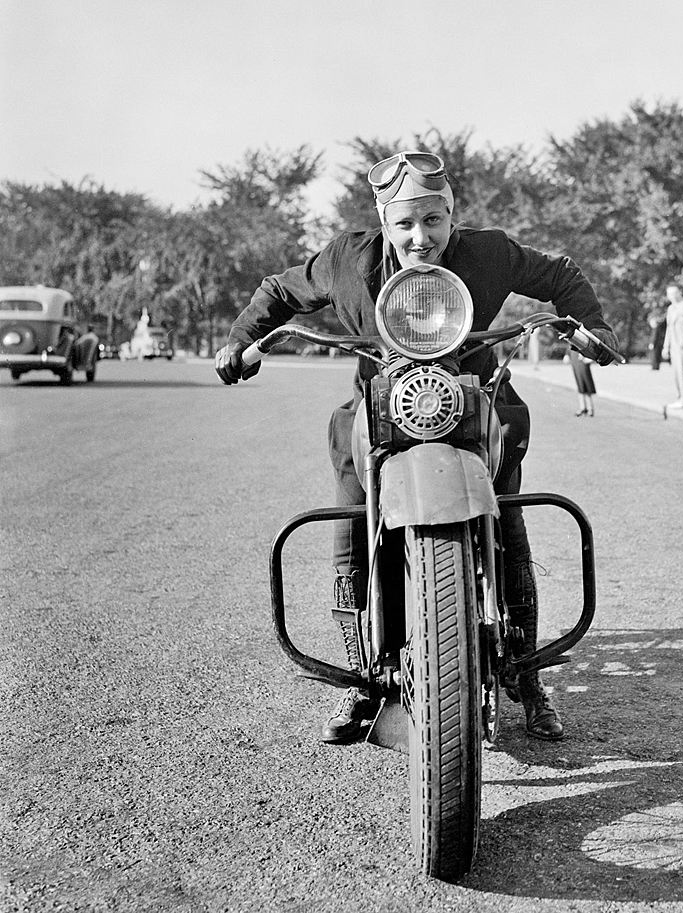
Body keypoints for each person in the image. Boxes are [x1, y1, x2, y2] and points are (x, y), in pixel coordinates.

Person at [214, 150, 619, 744]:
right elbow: (280, 291)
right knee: (352, 510)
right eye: (404, 223)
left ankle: (526, 675)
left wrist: (592, 327)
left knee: (507, 510)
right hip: (379, 404)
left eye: (433, 220)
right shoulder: (347, 260)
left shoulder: (488, 254)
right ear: (383, 220)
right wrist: (242, 341)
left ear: (451, 215)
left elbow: (558, 273)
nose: (420, 237)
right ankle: (362, 676)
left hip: (472, 396)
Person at [567, 349, 596, 416]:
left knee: (586, 382)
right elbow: (570, 344)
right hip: (575, 358)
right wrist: (567, 354)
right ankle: (582, 407)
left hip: (582, 359)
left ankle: (590, 408)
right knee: (579, 383)